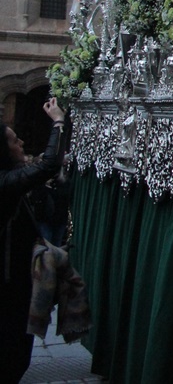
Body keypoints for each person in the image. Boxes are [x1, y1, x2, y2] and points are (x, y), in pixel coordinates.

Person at [1, 98, 66, 383]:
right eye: (15, 141)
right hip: (8, 282)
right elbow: (49, 164)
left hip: (14, 278)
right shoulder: (4, 182)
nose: (22, 143)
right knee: (13, 343)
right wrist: (59, 122)